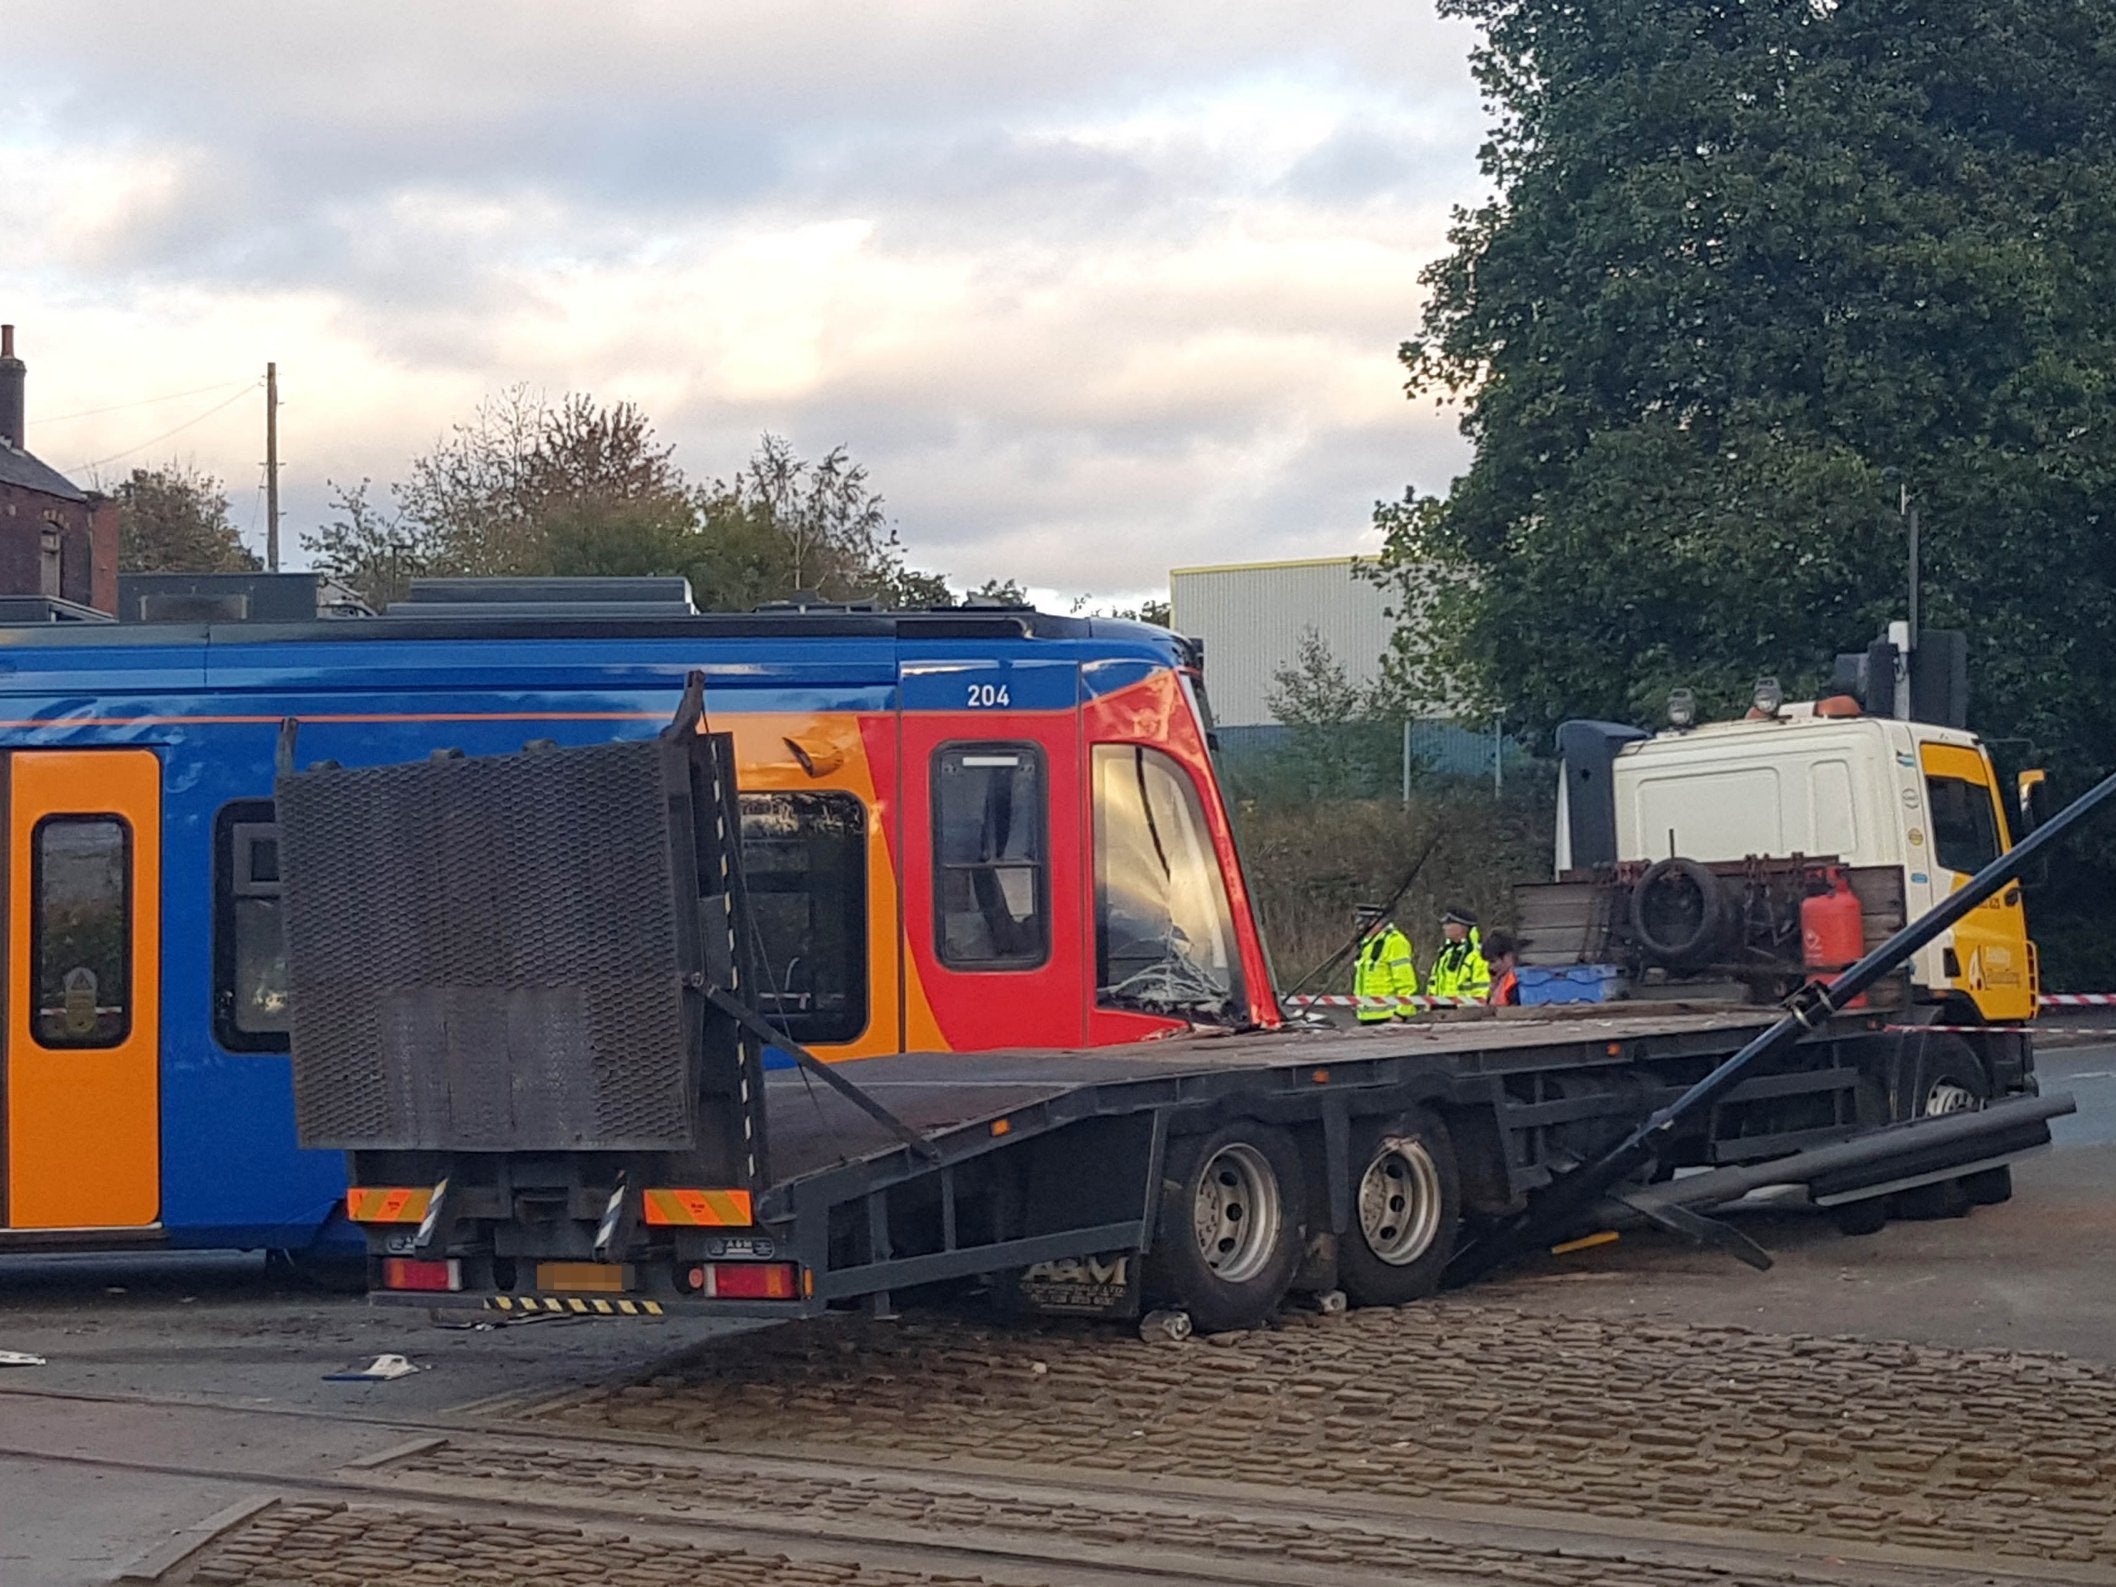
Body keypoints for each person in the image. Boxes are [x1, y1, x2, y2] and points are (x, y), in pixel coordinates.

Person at [1351, 903, 1418, 1023]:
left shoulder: (1394, 942)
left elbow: (1406, 983)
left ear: (1377, 922)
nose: (1360, 927)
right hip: (1367, 1016)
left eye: (1363, 923)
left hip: (1388, 1017)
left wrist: (1401, 1013)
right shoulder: (1368, 943)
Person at [1427, 906, 1490, 1001]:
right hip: (1439, 1012)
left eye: (1448, 924)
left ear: (1461, 927)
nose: (1444, 927)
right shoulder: (1444, 954)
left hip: (1465, 1013)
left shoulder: (1478, 955)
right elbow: (1432, 986)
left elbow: (1481, 990)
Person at [1483, 930, 1521, 1006]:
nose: (1490, 967)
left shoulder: (1517, 983)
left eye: (1493, 961)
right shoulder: (1499, 981)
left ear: (1508, 957)